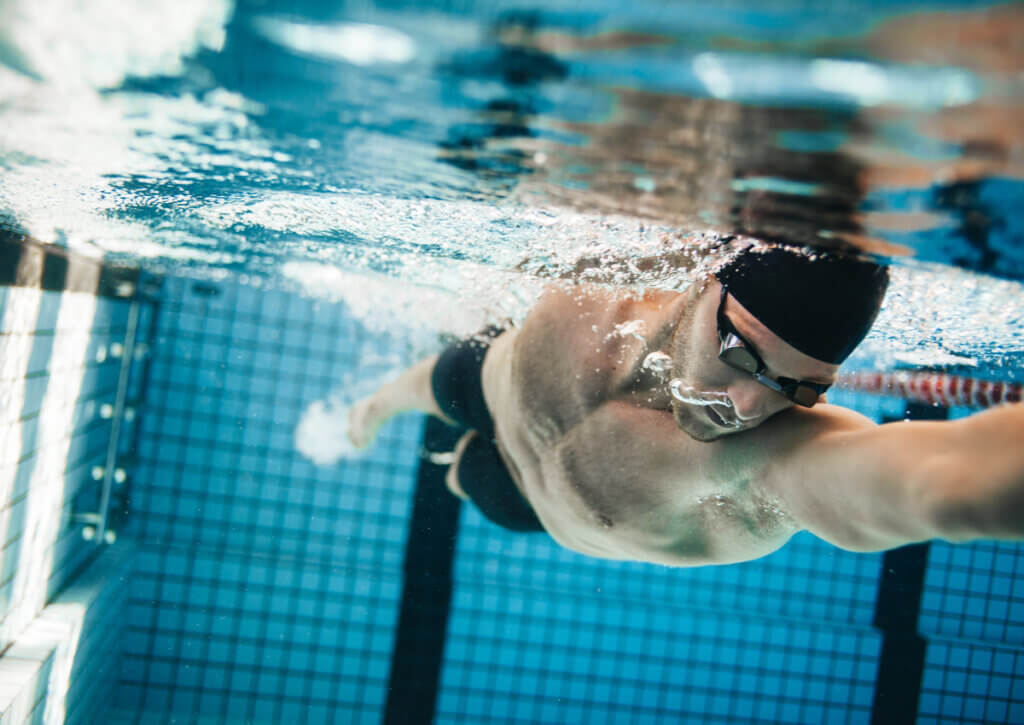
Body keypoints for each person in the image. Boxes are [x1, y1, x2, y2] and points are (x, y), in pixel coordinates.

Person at [348, 243, 1024, 566]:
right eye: (742, 354)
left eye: (800, 388)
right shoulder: (612, 268)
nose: (747, 407)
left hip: (526, 505)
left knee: (463, 473)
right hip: (490, 379)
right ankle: (370, 412)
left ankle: (450, 461)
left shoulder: (762, 465)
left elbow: (936, 480)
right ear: (704, 281)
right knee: (431, 383)